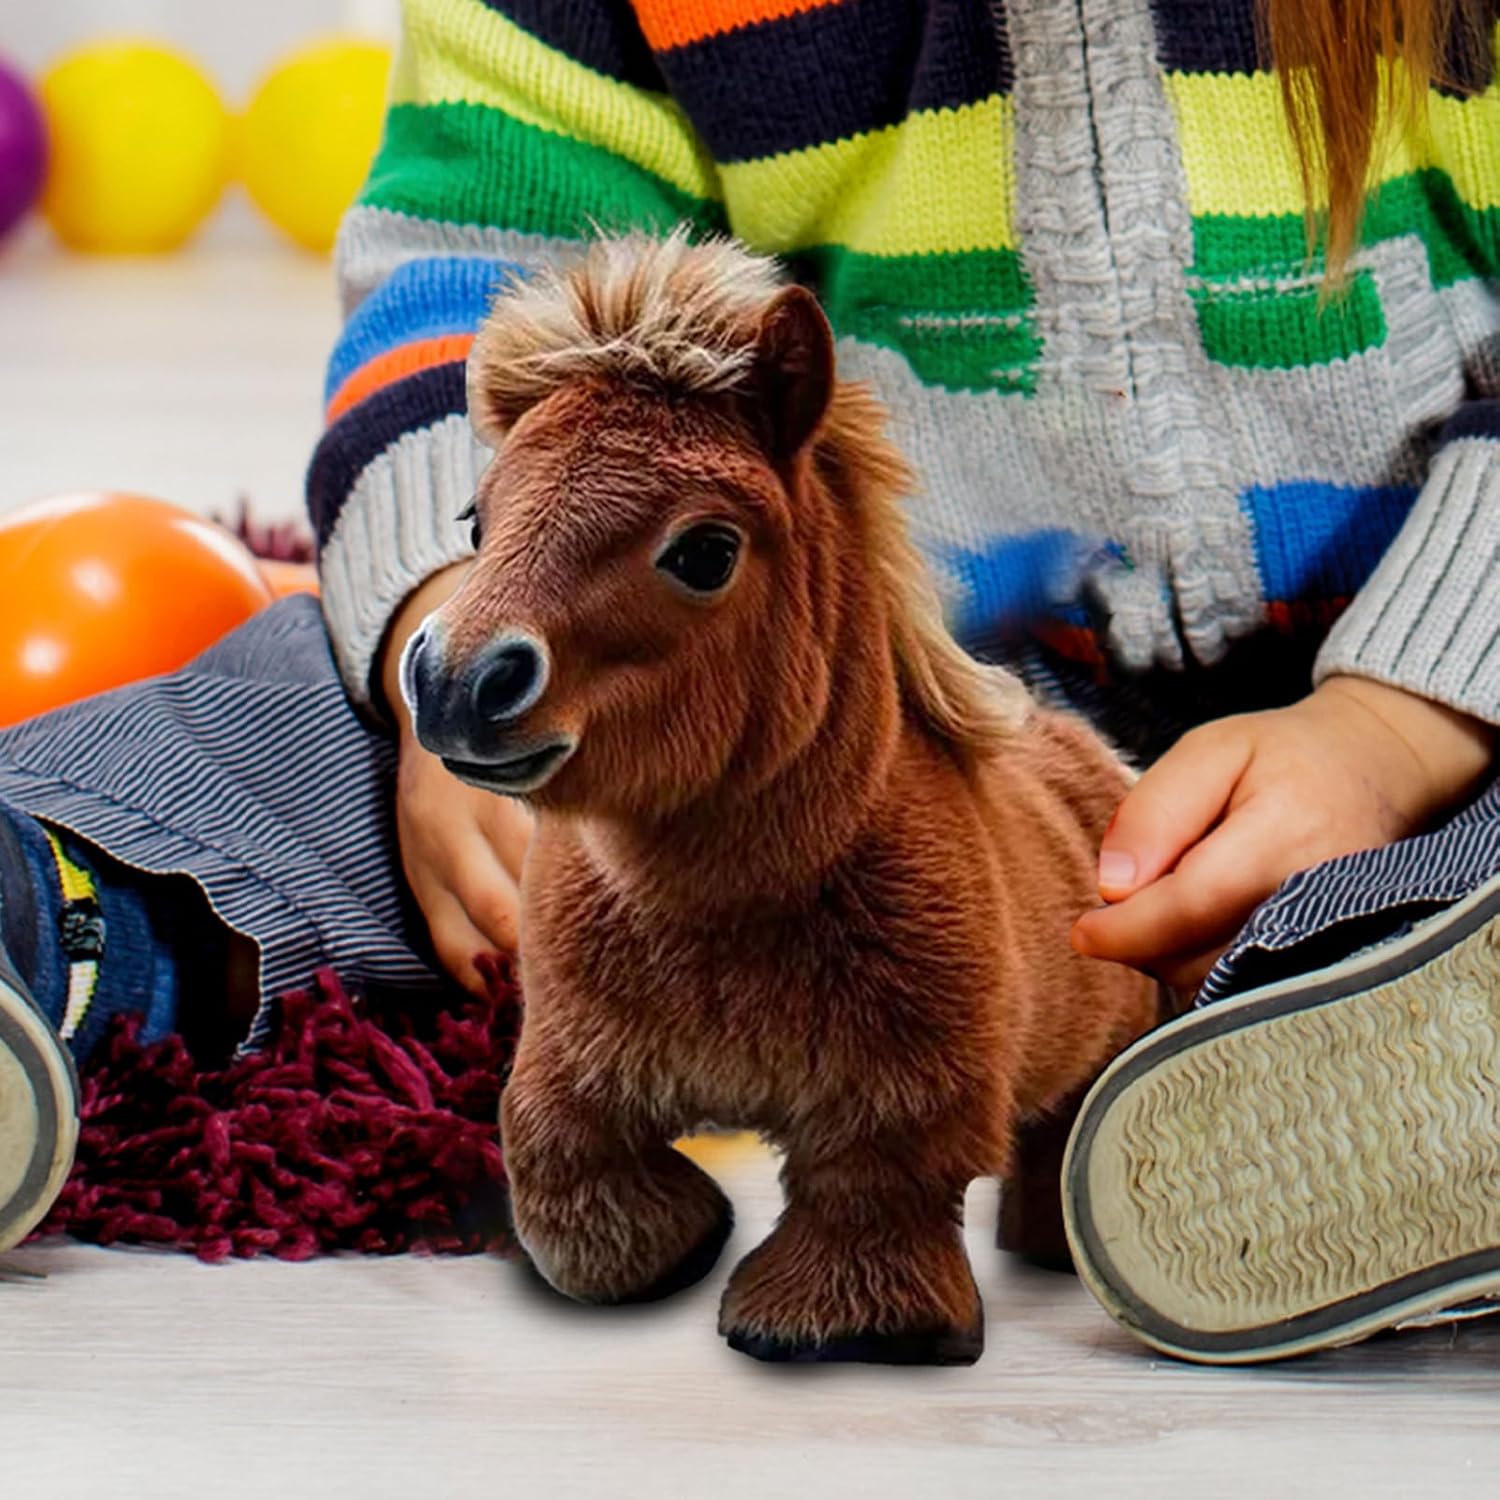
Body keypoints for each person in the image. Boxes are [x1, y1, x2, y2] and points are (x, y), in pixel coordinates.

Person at [0, 0, 1495, 1359]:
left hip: (1428, 645)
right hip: (838, 684)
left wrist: (1403, 711)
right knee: (276, 710)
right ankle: (49, 928)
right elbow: (478, 265)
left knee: (1462, 842)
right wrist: (443, 611)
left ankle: (1390, 1060)